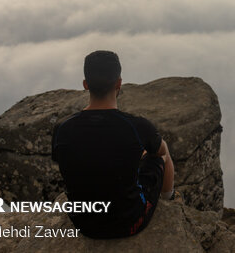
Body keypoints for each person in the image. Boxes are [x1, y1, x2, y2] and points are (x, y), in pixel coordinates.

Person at [52, 50, 176, 238]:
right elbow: (161, 152)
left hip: (83, 224)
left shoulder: (63, 128)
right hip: (129, 223)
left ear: (85, 85)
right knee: (159, 157)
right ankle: (171, 200)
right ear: (119, 83)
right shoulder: (136, 127)